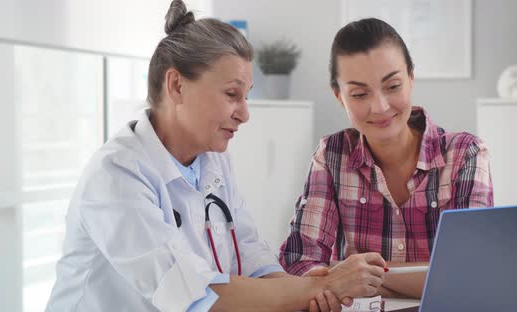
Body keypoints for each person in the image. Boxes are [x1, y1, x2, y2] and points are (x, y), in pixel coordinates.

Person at [45, 2, 388, 311]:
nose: (244, 114)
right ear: (177, 86)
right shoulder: (117, 175)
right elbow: (196, 296)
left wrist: (310, 290)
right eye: (231, 94)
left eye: (246, 97)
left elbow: (251, 254)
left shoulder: (212, 161)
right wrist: (322, 285)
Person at [279, 17, 494, 305]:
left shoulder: (465, 154)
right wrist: (426, 279)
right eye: (359, 93)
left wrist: (353, 278)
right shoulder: (331, 155)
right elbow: (298, 262)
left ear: (411, 78)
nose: (380, 107)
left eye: (392, 86)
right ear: (339, 96)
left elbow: (471, 275)